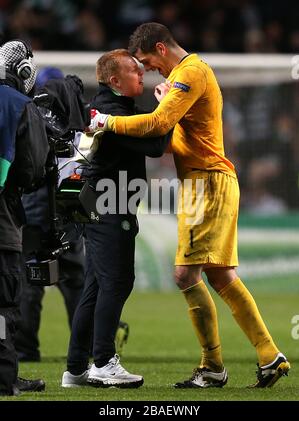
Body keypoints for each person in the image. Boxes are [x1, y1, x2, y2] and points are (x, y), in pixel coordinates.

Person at [90, 23, 290, 388]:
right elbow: (167, 141)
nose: (149, 70)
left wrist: (107, 122)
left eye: (149, 62)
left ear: (161, 49)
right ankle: (268, 354)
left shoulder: (190, 73)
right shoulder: (186, 77)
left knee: (185, 275)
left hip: (207, 183)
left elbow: (158, 122)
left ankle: (213, 365)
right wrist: (155, 112)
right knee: (221, 276)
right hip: (208, 181)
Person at [61, 49, 171, 388]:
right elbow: (156, 146)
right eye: (134, 71)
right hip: (109, 206)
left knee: (95, 286)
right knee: (116, 282)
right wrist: (167, 105)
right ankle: (104, 362)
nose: (141, 75)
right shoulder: (110, 112)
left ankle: (76, 368)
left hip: (101, 204)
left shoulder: (110, 107)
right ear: (114, 80)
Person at [15, 67, 86, 363]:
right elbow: (80, 172)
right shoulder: (75, 125)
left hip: (33, 214)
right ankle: (86, 349)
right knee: (76, 282)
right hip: (67, 213)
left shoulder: (28, 116)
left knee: (31, 284)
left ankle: (26, 349)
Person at [0, 40, 49, 395]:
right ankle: (4, 377)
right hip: (2, 216)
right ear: (24, 71)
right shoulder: (19, 105)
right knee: (2, 303)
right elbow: (33, 169)